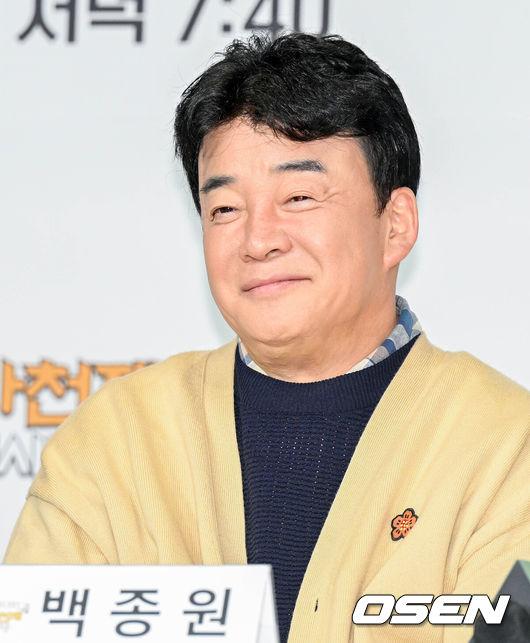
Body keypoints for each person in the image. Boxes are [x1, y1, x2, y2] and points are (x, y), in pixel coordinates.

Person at [3, 32, 529, 643]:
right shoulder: (114, 439)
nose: (258, 240)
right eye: (225, 209)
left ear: (395, 225)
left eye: (299, 197)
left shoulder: (505, 446)